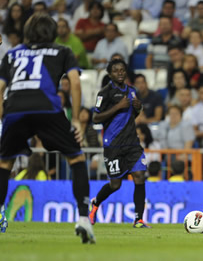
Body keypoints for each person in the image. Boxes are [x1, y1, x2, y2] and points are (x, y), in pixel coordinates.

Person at [0, 13, 94, 243]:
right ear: (53, 33)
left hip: (14, 109)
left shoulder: (12, 53)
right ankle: (83, 218)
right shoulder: (62, 51)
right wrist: (76, 120)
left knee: (4, 163)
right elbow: (74, 81)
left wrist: (3, 117)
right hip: (47, 108)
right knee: (76, 159)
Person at [89, 58, 150, 229]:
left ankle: (138, 219)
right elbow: (96, 117)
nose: (120, 73)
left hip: (132, 143)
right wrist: (118, 107)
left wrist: (138, 108)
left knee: (139, 176)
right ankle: (95, 203)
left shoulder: (132, 91)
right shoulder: (105, 93)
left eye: (122, 70)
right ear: (109, 73)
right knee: (115, 184)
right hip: (113, 144)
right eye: (116, 70)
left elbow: (132, 116)